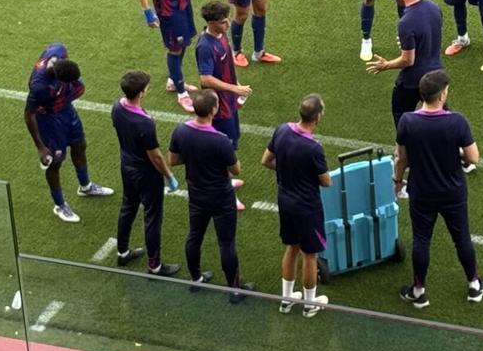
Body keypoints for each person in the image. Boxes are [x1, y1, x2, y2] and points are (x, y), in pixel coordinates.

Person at [392, 70, 483, 308]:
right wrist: (457, 153)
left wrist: (397, 181)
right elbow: (473, 158)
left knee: (421, 240)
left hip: (421, 191)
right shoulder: (457, 121)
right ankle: (474, 285)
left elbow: (401, 158)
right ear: (442, 95)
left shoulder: (407, 121)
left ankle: (418, 291)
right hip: (452, 191)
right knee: (461, 238)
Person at [168, 89, 254, 302]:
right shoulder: (220, 140)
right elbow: (236, 170)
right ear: (214, 110)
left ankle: (196, 279)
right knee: (226, 242)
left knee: (194, 235)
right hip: (221, 197)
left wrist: (194, 159)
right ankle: (235, 290)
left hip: (197, 194)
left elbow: (173, 160)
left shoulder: (180, 131)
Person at [23, 44, 113, 223]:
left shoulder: (58, 50)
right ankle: (59, 205)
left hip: (67, 110)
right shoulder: (40, 87)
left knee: (80, 145)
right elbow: (28, 114)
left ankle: (85, 186)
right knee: (55, 162)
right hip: (49, 120)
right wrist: (40, 146)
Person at [262, 94, 333, 318]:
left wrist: (288, 169)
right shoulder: (314, 148)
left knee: (292, 247)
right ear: (318, 117)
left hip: (285, 200)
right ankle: (310, 305)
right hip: (307, 206)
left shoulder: (281, 130)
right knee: (310, 255)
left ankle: (286, 299)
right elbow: (326, 181)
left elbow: (266, 161)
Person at [111, 70, 181, 276]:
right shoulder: (145, 123)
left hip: (127, 165)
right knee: (152, 216)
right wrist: (169, 176)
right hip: (145, 173)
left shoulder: (117, 107)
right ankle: (155, 265)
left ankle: (123, 252)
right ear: (141, 93)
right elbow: (155, 156)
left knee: (128, 206)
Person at [366, 0, 444, 130]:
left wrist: (385, 65)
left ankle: (405, 144)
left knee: (401, 117)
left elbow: (408, 60)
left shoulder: (406, 22)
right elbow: (430, 33)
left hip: (413, 80)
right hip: (436, 73)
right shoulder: (434, 7)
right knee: (441, 116)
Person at [195, 1, 252, 211]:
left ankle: (226, 180)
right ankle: (225, 193)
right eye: (223, 22)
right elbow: (205, 78)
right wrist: (234, 89)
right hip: (218, 107)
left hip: (228, 101)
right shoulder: (205, 46)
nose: (227, 24)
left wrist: (235, 89)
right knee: (222, 151)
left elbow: (226, 66)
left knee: (231, 143)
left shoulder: (221, 34)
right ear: (211, 23)